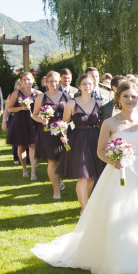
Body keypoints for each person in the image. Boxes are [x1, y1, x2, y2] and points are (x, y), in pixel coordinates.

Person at [32, 79, 138, 274]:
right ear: (118, 98)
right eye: (126, 96)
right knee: (119, 213)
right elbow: (100, 152)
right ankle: (122, 261)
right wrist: (113, 160)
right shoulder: (109, 123)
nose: (130, 100)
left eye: (134, 96)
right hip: (116, 173)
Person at [57, 74, 102, 212]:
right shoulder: (72, 103)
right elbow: (64, 123)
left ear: (94, 85)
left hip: (95, 139)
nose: (87, 86)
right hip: (79, 141)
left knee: (91, 177)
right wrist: (62, 135)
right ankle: (84, 208)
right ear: (79, 86)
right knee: (82, 176)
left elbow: (101, 124)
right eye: (84, 84)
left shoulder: (98, 103)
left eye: (90, 84)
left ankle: (85, 201)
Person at [32, 71, 70, 200]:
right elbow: (34, 115)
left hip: (63, 130)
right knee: (52, 160)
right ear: (46, 83)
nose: (53, 84)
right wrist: (42, 120)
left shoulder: (66, 96)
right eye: (50, 81)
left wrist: (65, 128)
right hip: (48, 131)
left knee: (62, 158)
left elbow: (70, 115)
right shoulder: (41, 97)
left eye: (55, 81)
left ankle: (58, 180)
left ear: (59, 81)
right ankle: (56, 190)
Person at [5, 72, 40, 180]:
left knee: (33, 145)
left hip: (33, 122)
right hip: (20, 121)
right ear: (21, 81)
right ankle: (24, 169)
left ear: (33, 80)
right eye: (24, 80)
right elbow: (9, 108)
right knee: (21, 146)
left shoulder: (38, 93)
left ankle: (33, 171)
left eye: (29, 79)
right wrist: (21, 108)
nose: (27, 82)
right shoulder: (17, 93)